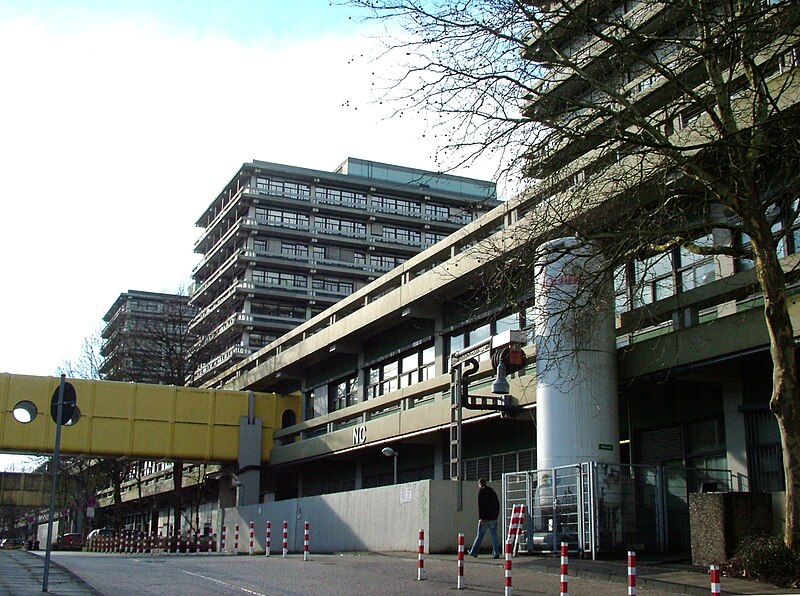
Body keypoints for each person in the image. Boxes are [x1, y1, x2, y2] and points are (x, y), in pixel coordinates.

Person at [468, 478, 500, 558]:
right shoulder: (492, 491)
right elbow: (497, 504)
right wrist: (496, 515)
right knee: (494, 536)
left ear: (479, 484)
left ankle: (473, 552)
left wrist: (481, 517)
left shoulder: (481, 492)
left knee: (479, 535)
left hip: (485, 518)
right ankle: (496, 552)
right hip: (493, 517)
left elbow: (481, 506)